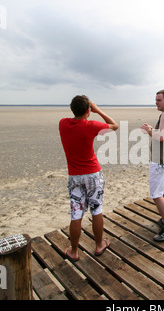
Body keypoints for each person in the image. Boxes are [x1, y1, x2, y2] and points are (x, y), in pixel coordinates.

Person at [59, 95, 119, 262]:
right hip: (93, 174)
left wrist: (85, 111)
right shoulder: (90, 126)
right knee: (96, 209)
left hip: (75, 176)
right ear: (88, 111)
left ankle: (74, 251)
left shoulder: (63, 124)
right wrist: (97, 110)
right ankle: (99, 244)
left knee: (76, 213)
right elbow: (115, 126)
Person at [141, 89, 164, 242]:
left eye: (158, 100)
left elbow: (161, 137)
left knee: (156, 194)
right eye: (156, 100)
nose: (156, 102)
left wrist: (149, 131)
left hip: (161, 161)